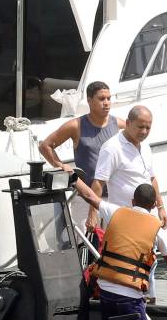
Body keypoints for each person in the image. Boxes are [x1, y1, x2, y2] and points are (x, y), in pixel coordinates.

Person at [74, 179, 167, 320]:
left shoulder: (115, 212)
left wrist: (72, 175)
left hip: (105, 291)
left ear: (133, 201)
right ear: (154, 205)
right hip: (130, 297)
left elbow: (89, 195)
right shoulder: (158, 230)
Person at [92, 105, 167, 301]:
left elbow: (151, 178)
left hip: (147, 217)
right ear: (127, 123)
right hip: (125, 220)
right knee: (129, 266)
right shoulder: (112, 148)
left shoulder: (146, 146)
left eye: (148, 128)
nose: (144, 132)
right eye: (140, 127)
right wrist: (92, 214)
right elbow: (98, 182)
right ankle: (133, 302)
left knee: (150, 261)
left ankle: (149, 301)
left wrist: (161, 207)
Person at [38, 81, 125, 229]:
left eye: (109, 98)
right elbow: (45, 146)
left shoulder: (119, 125)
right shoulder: (76, 125)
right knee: (85, 248)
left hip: (114, 198)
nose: (107, 103)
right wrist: (60, 165)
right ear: (89, 101)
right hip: (86, 199)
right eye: (101, 99)